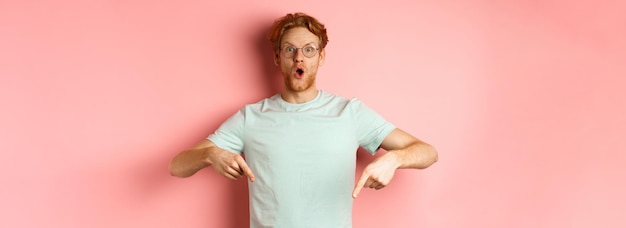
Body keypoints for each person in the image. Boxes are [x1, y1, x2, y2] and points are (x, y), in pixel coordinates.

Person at [169, 12, 438, 228]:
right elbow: (177, 166)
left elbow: (428, 152)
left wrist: (394, 159)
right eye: (290, 50)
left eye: (309, 50)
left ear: (320, 57)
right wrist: (211, 155)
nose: (299, 57)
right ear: (277, 57)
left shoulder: (349, 113)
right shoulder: (250, 117)